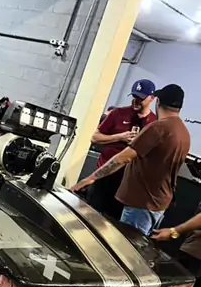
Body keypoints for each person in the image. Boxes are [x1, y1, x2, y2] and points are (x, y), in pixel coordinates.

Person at [71, 84, 191, 237]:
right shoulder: (183, 132)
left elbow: (123, 158)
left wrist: (89, 179)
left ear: (157, 101)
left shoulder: (158, 127)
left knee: (125, 243)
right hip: (157, 203)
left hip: (141, 203)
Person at [86, 80, 157, 220]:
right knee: (90, 217)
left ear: (152, 98)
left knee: (113, 223)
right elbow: (95, 138)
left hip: (127, 184)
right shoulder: (117, 113)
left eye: (141, 98)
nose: (136, 101)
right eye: (134, 96)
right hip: (104, 177)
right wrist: (120, 137)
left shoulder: (154, 123)